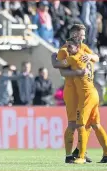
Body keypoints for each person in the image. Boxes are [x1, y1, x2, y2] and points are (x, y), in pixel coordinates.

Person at [51, 24, 99, 163]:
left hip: (83, 92)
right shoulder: (65, 50)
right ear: (74, 34)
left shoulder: (82, 48)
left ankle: (80, 150)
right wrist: (78, 72)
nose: (83, 38)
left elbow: (96, 57)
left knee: (85, 123)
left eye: (84, 35)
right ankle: (68, 155)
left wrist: (90, 56)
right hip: (72, 92)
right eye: (81, 35)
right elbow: (61, 71)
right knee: (73, 123)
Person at [59, 37, 107, 164]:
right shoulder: (87, 57)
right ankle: (106, 154)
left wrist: (58, 53)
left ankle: (81, 156)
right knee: (96, 125)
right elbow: (96, 58)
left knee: (80, 125)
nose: (68, 49)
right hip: (93, 93)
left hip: (86, 97)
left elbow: (58, 64)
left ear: (77, 47)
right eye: (67, 46)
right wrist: (92, 56)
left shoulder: (74, 58)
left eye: (70, 46)